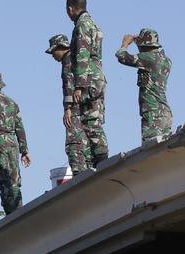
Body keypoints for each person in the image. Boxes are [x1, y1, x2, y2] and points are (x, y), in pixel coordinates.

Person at [0, 71, 32, 214]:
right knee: (14, 180)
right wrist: (24, 150)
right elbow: (20, 127)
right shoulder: (12, 103)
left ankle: (12, 214)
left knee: (3, 181)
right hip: (12, 143)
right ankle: (19, 211)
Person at [67, 0, 108, 168]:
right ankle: (98, 160)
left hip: (88, 79)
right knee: (95, 119)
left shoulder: (82, 25)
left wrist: (79, 85)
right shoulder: (93, 24)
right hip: (97, 78)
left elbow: (82, 55)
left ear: (70, 9)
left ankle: (100, 161)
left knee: (89, 123)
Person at [46, 35, 92, 175]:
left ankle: (79, 172)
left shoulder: (68, 61)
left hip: (75, 107)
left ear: (60, 48)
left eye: (53, 51)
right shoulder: (78, 57)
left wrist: (68, 109)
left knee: (73, 141)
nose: (53, 56)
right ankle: (89, 166)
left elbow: (69, 86)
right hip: (88, 105)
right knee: (87, 138)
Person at [116, 29, 173, 142]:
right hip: (165, 113)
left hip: (153, 112)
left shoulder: (148, 58)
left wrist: (125, 44)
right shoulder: (166, 60)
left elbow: (121, 56)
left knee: (151, 150)